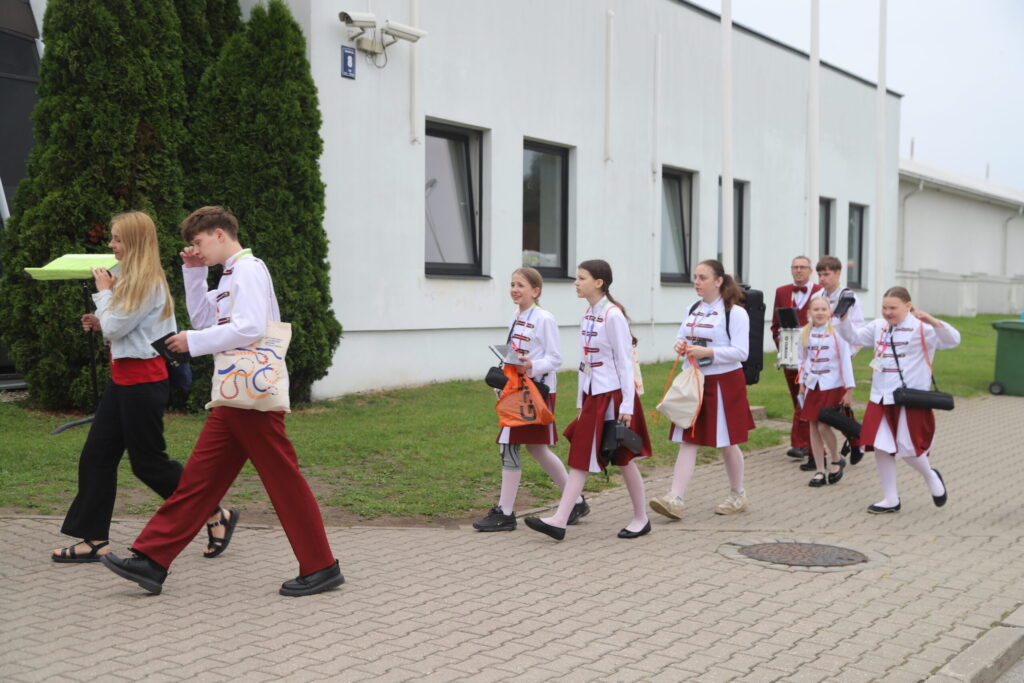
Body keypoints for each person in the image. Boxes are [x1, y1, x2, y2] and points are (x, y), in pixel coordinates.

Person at [100, 206, 341, 596]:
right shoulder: (231, 273)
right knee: (199, 482)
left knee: (279, 480)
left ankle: (322, 566)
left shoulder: (248, 270)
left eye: (198, 243)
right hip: (237, 394)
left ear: (219, 234)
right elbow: (203, 317)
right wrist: (194, 273)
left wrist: (192, 342)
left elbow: (249, 327)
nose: (197, 249)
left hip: (249, 394)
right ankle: (151, 560)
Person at [51, 211, 237, 564]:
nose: (111, 245)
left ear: (134, 242)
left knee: (149, 463)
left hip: (143, 381)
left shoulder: (146, 280)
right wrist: (101, 318)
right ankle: (94, 540)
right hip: (123, 379)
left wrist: (103, 297)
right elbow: (121, 326)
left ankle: (215, 513)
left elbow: (116, 326)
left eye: (118, 239)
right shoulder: (127, 277)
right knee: (96, 457)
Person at [524, 259, 652, 540]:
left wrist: (627, 405)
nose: (576, 283)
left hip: (613, 396)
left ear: (599, 282)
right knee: (583, 454)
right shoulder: (589, 313)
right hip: (594, 396)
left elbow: (625, 362)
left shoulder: (613, 315)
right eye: (577, 277)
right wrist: (582, 403)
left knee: (622, 458)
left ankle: (640, 518)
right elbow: (586, 362)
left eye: (582, 278)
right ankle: (560, 519)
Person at [473, 267, 589, 532]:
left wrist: (531, 365)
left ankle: (505, 513)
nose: (514, 290)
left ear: (535, 291)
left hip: (536, 392)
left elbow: (555, 359)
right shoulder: (516, 316)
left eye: (521, 285)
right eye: (512, 284)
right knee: (537, 449)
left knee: (509, 445)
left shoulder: (544, 318)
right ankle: (576, 502)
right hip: (517, 389)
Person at [836, 286, 960, 514]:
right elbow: (853, 337)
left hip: (909, 397)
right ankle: (890, 498)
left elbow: (953, 341)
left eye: (893, 308)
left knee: (908, 448)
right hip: (880, 396)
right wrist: (843, 318)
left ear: (908, 306)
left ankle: (931, 476)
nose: (887, 312)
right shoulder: (879, 326)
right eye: (884, 307)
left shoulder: (922, 328)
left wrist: (934, 321)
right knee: (881, 446)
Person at [649, 259, 756, 520]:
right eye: (695, 277)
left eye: (703, 277)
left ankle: (738, 494)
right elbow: (681, 336)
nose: (697, 282)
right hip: (695, 380)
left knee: (727, 442)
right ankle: (675, 498)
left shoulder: (735, 313)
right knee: (688, 438)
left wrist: (709, 352)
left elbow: (742, 352)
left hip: (724, 382)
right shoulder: (693, 308)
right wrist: (680, 346)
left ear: (718, 281)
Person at [811, 255, 866, 465]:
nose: (822, 278)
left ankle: (856, 438)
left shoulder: (848, 297)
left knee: (839, 404)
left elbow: (858, 330)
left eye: (826, 274)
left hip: (841, 357)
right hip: (820, 358)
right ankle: (851, 440)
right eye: (820, 274)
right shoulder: (817, 296)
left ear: (838, 273)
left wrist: (850, 354)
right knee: (826, 407)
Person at [797, 296, 855, 487]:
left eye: (823, 309)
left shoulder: (837, 333)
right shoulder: (804, 333)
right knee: (813, 427)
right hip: (813, 385)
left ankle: (836, 458)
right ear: (809, 313)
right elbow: (802, 360)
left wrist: (849, 389)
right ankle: (820, 470)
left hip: (832, 385)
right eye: (816, 309)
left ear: (829, 312)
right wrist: (802, 382)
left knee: (823, 425)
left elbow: (846, 362)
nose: (820, 313)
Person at [770, 256, 824, 464]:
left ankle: (800, 444)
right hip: (790, 356)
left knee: (807, 399)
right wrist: (782, 346)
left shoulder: (820, 291)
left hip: (814, 356)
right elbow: (775, 325)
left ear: (810, 271)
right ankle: (807, 443)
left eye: (803, 267)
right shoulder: (782, 292)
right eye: (795, 267)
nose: (799, 270)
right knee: (798, 399)